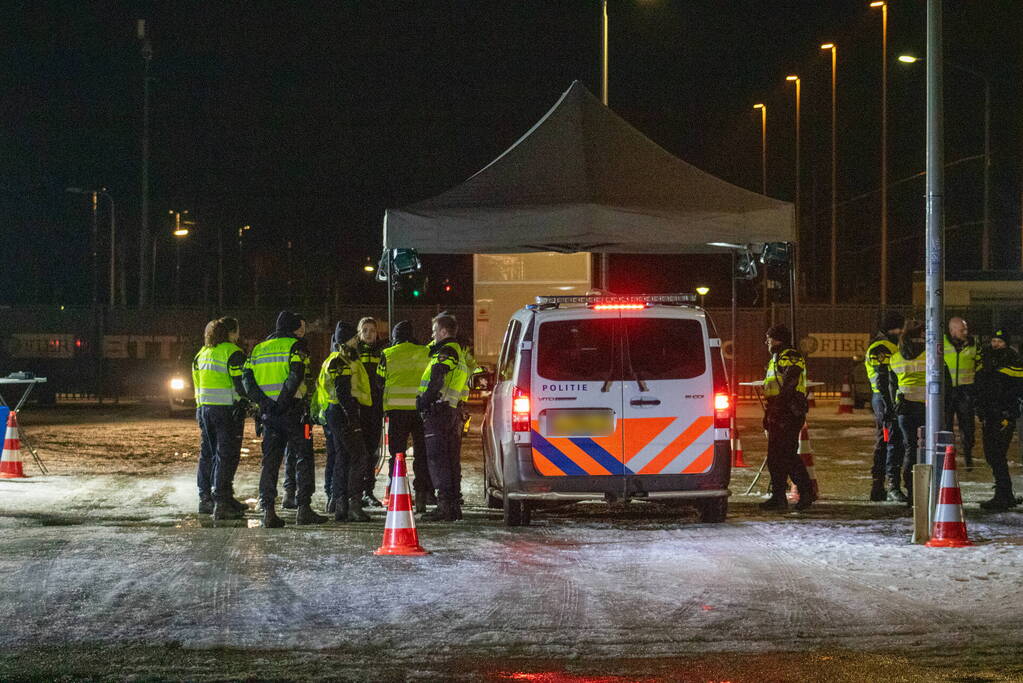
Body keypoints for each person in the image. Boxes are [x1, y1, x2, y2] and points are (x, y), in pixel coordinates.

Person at [243, 310, 327, 528]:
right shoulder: (296, 346)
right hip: (294, 412)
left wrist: (264, 403)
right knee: (303, 458)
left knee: (270, 462)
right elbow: (296, 374)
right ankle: (303, 508)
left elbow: (247, 380)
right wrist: (282, 401)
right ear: (293, 327)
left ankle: (268, 511)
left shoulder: (258, 349)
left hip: (269, 415)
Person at [312, 322, 372, 522]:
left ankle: (341, 505)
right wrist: (352, 418)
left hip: (335, 414)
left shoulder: (336, 360)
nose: (357, 340)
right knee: (359, 456)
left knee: (342, 458)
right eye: (354, 338)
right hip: (342, 413)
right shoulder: (339, 362)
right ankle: (353, 503)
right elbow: (343, 392)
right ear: (346, 340)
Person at [191, 318, 249, 519]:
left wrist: (200, 408)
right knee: (226, 455)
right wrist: (245, 402)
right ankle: (222, 502)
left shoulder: (202, 353)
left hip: (206, 409)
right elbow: (241, 384)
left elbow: (197, 384)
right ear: (232, 333)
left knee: (207, 453)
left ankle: (206, 499)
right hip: (226, 410)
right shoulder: (232, 352)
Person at [417, 312, 470, 521]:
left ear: (444, 331)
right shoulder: (458, 351)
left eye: (434, 332)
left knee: (438, 460)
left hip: (439, 411)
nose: (432, 336)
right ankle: (453, 505)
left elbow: (437, 377)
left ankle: (445, 506)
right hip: (451, 411)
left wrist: (424, 400)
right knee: (450, 460)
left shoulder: (447, 351)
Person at [377, 320, 433, 512]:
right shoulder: (425, 352)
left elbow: (379, 381)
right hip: (420, 410)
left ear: (395, 336)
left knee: (396, 455)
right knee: (421, 455)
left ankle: (397, 495)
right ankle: (422, 498)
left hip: (396, 411)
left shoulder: (387, 354)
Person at [759, 324, 814, 512]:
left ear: (777, 339)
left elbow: (790, 382)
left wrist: (779, 408)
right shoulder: (776, 358)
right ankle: (778, 496)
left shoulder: (790, 356)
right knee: (775, 457)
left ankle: (806, 493)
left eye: (769, 337)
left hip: (788, 412)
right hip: (778, 410)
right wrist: (769, 412)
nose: (766, 341)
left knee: (787, 455)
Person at [975, 329, 1023, 511]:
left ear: (1006, 343)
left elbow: (1016, 388)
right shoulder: (987, 358)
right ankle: (1005, 493)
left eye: (999, 341)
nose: (995, 344)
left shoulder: (1013, 359)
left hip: (1004, 414)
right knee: (993, 454)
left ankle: (1004, 495)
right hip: (990, 413)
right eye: (994, 340)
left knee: (996, 454)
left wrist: (1004, 407)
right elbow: (980, 384)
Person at [864, 312, 906, 502]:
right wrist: (889, 406)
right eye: (901, 328)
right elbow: (882, 379)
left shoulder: (889, 345)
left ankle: (880, 486)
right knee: (889, 441)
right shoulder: (882, 347)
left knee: (889, 441)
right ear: (894, 329)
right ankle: (886, 485)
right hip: (884, 400)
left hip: (886, 399)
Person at [889, 319, 929, 504]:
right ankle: (926, 489)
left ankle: (911, 489)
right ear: (921, 334)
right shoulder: (930, 355)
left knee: (910, 448)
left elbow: (892, 386)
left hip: (904, 408)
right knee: (928, 449)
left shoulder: (896, 357)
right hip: (926, 408)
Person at [944, 317, 983, 468]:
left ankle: (968, 454)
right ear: (952, 330)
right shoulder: (941, 343)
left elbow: (979, 366)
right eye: (962, 330)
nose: (965, 332)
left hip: (966, 390)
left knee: (967, 426)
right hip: (947, 391)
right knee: (946, 426)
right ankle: (948, 456)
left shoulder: (974, 345)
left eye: (966, 329)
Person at [355, 317, 386, 507]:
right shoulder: (354, 352)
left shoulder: (381, 353)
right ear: (359, 333)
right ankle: (356, 492)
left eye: (372, 330)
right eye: (365, 330)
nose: (369, 334)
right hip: (358, 409)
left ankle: (368, 491)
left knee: (373, 452)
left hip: (375, 408)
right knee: (359, 452)